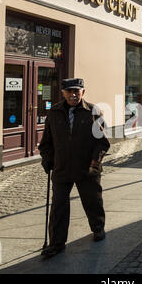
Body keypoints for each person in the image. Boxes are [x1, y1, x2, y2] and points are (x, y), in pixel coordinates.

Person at [39, 78, 110, 257]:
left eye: (77, 92)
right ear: (63, 93)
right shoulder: (54, 112)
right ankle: (57, 243)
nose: (73, 95)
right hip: (62, 167)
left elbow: (102, 142)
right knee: (58, 206)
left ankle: (98, 228)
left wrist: (95, 163)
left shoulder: (93, 111)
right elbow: (46, 142)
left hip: (87, 168)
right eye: (69, 91)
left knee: (92, 201)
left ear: (83, 93)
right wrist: (47, 159)